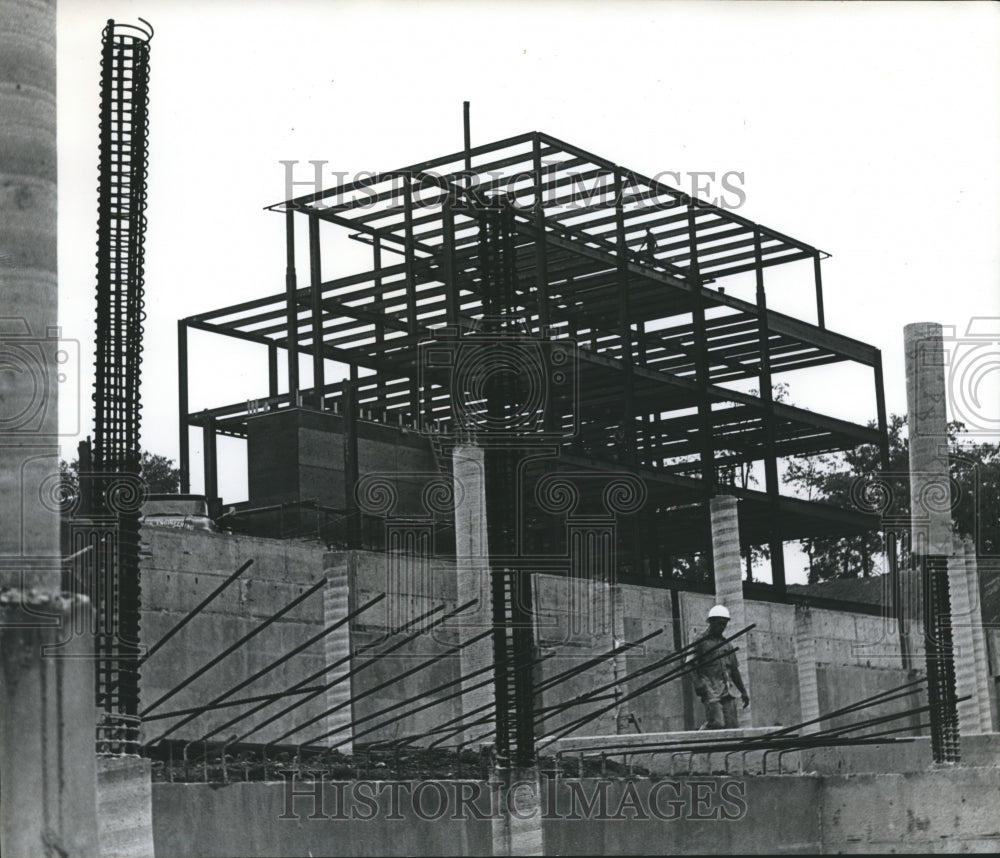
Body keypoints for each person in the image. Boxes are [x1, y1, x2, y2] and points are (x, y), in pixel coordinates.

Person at [689, 604, 749, 729]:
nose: (721, 627)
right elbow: (690, 664)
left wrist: (743, 691)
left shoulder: (727, 645)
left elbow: (734, 670)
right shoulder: (700, 641)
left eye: (724, 624)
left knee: (732, 726)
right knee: (717, 723)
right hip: (709, 688)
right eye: (719, 623)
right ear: (711, 622)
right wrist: (697, 683)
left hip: (726, 689)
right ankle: (700, 735)